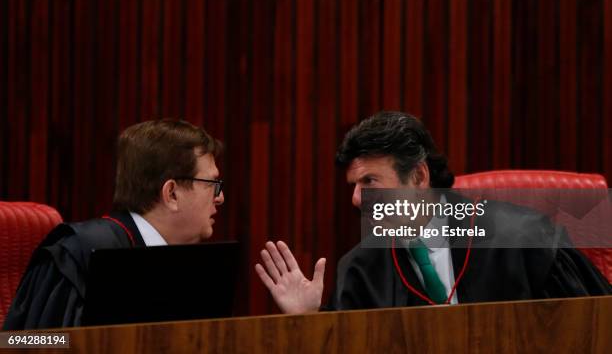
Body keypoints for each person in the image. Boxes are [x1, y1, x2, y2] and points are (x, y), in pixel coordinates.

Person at [255, 111, 612, 313]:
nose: (356, 200)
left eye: (370, 182)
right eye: (353, 185)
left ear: (420, 176)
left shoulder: (527, 242)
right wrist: (308, 324)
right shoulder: (361, 271)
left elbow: (590, 334)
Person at [3, 119, 224, 329]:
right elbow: (26, 344)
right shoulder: (78, 253)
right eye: (212, 184)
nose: (220, 196)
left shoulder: (186, 268)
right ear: (172, 193)